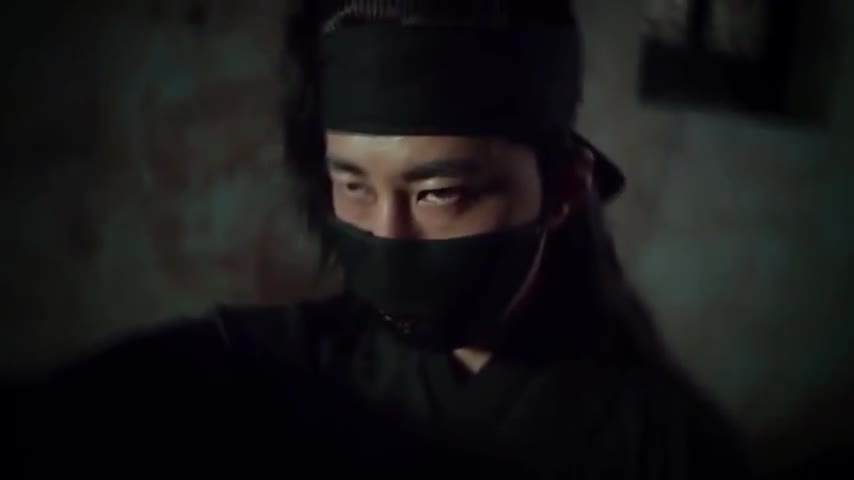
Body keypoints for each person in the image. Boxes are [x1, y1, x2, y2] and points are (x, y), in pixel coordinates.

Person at [12, 1, 753, 478]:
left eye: (440, 193)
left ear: (561, 189)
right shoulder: (304, 363)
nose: (387, 235)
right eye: (355, 186)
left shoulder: (666, 450)